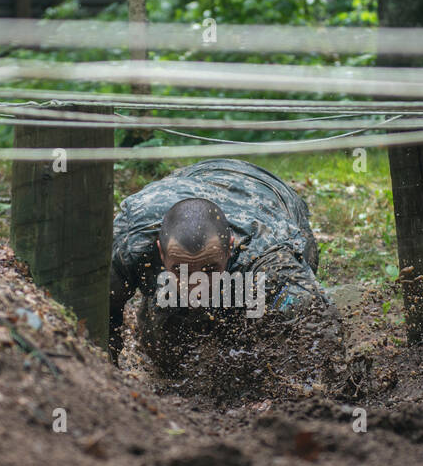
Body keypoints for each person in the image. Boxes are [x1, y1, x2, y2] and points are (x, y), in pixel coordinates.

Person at [109, 158, 330, 369]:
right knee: (161, 342)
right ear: (160, 251)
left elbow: (316, 325)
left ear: (230, 248)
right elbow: (94, 314)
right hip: (195, 179)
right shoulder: (131, 240)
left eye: (210, 269)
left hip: (273, 198)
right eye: (180, 270)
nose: (196, 288)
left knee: (258, 330)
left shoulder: (267, 255)